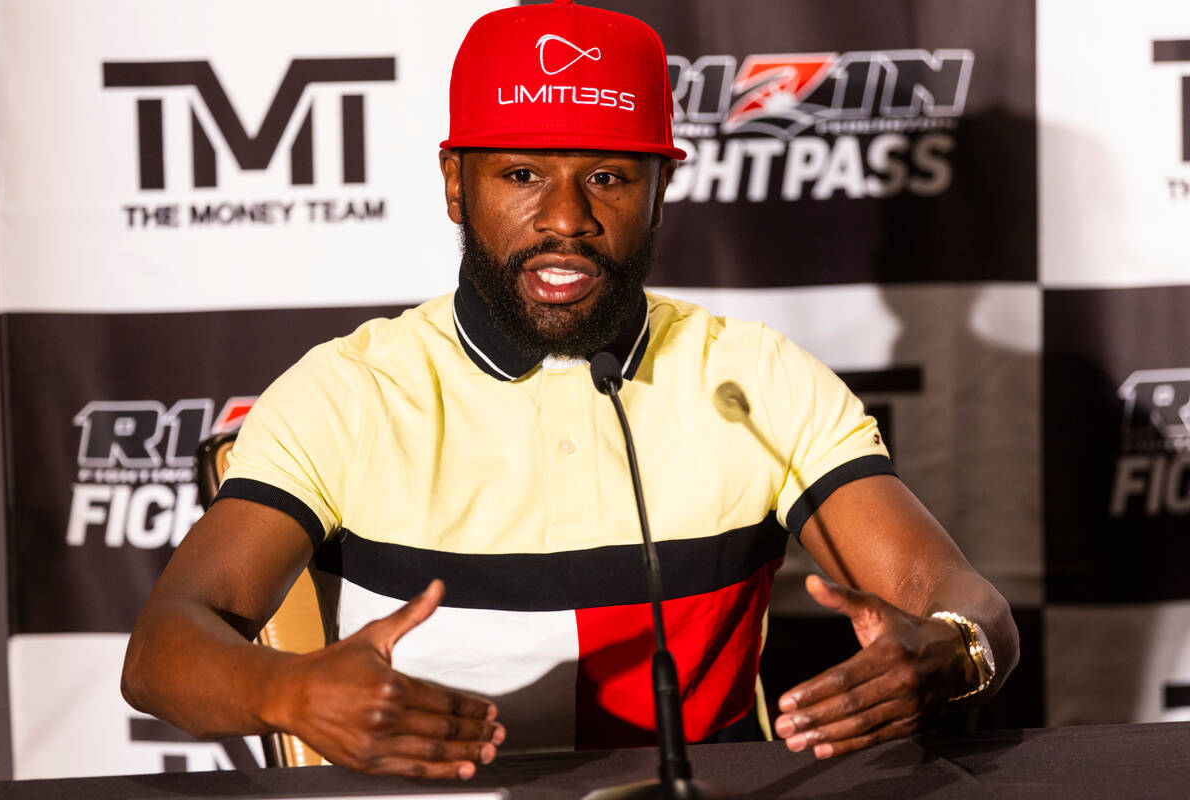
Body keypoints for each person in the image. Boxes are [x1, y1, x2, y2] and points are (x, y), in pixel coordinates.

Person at [122, 0, 1018, 780]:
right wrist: (289, 691)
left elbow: (956, 597)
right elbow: (162, 651)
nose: (566, 219)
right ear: (455, 184)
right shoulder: (349, 391)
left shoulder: (754, 379)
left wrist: (953, 649)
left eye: (608, 177)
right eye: (521, 174)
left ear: (661, 190)